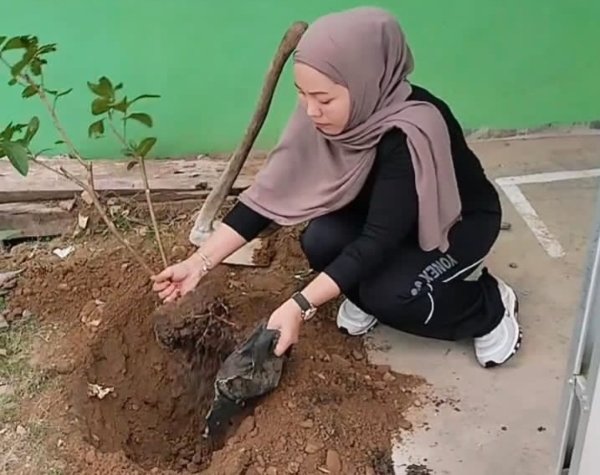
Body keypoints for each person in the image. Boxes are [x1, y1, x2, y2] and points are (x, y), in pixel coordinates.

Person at [151, 7, 521, 368]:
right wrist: (198, 263)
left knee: (389, 297)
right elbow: (271, 193)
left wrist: (299, 306)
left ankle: (488, 308)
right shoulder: (324, 113)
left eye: (324, 99)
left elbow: (378, 240)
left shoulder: (411, 132)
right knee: (320, 240)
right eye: (302, 93)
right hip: (381, 217)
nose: (311, 110)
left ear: (365, 82)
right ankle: (368, 297)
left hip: (454, 225)